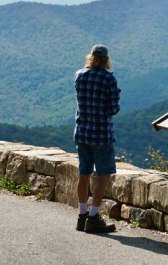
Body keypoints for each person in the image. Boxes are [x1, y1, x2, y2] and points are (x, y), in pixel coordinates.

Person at [74, 44, 121, 233]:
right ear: (106, 60)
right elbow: (113, 109)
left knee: (83, 175)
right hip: (101, 134)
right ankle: (93, 217)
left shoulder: (79, 75)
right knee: (103, 175)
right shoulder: (108, 79)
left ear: (90, 57)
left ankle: (82, 215)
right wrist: (116, 96)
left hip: (82, 132)